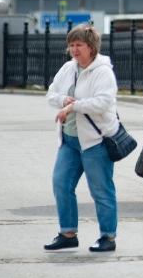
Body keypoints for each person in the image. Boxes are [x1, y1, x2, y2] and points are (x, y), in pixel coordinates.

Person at [43, 24, 119, 252]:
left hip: (96, 141)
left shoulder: (103, 71)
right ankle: (68, 233)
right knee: (61, 183)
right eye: (72, 45)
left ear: (91, 47)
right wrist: (64, 100)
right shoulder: (68, 68)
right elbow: (51, 94)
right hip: (70, 140)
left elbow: (102, 102)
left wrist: (73, 106)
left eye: (79, 45)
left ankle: (108, 237)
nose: (74, 49)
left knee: (101, 190)